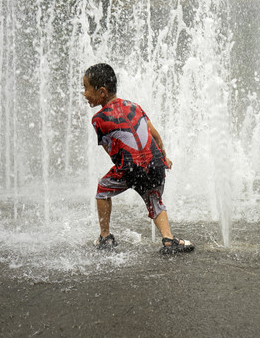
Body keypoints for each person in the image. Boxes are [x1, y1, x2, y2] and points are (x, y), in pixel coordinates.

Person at [83, 63, 195, 254]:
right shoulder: (134, 107)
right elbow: (155, 135)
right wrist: (164, 157)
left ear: (101, 92)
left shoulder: (98, 119)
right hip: (156, 163)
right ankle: (169, 240)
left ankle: (105, 237)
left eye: (86, 88)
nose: (83, 93)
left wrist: (126, 169)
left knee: (103, 190)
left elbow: (111, 150)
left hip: (131, 167)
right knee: (154, 199)